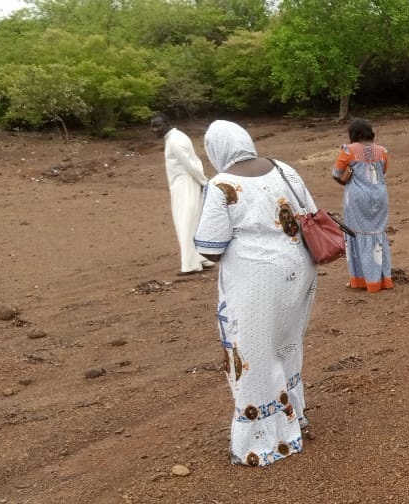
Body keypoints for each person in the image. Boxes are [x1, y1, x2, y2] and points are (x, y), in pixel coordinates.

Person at [194, 120, 319, 467]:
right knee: (285, 343)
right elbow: (309, 211)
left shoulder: (221, 185)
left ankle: (265, 441)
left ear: (215, 150)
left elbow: (210, 245)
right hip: (299, 269)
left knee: (253, 354)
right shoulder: (284, 168)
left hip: (259, 280)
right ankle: (293, 415)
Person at [332, 118, 393, 292]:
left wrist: (346, 180)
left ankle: (362, 280)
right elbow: (384, 171)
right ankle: (382, 279)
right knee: (377, 234)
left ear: (353, 135)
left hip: (357, 198)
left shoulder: (348, 150)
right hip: (380, 197)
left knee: (356, 235)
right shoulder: (382, 151)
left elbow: (336, 173)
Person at [151, 113, 215, 275]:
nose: (154, 130)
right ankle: (202, 258)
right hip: (185, 183)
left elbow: (190, 164)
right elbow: (195, 161)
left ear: (167, 123)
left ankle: (190, 265)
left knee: (185, 222)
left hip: (185, 184)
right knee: (193, 221)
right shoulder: (177, 137)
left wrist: (203, 182)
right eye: (152, 126)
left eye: (157, 125)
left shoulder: (174, 141)